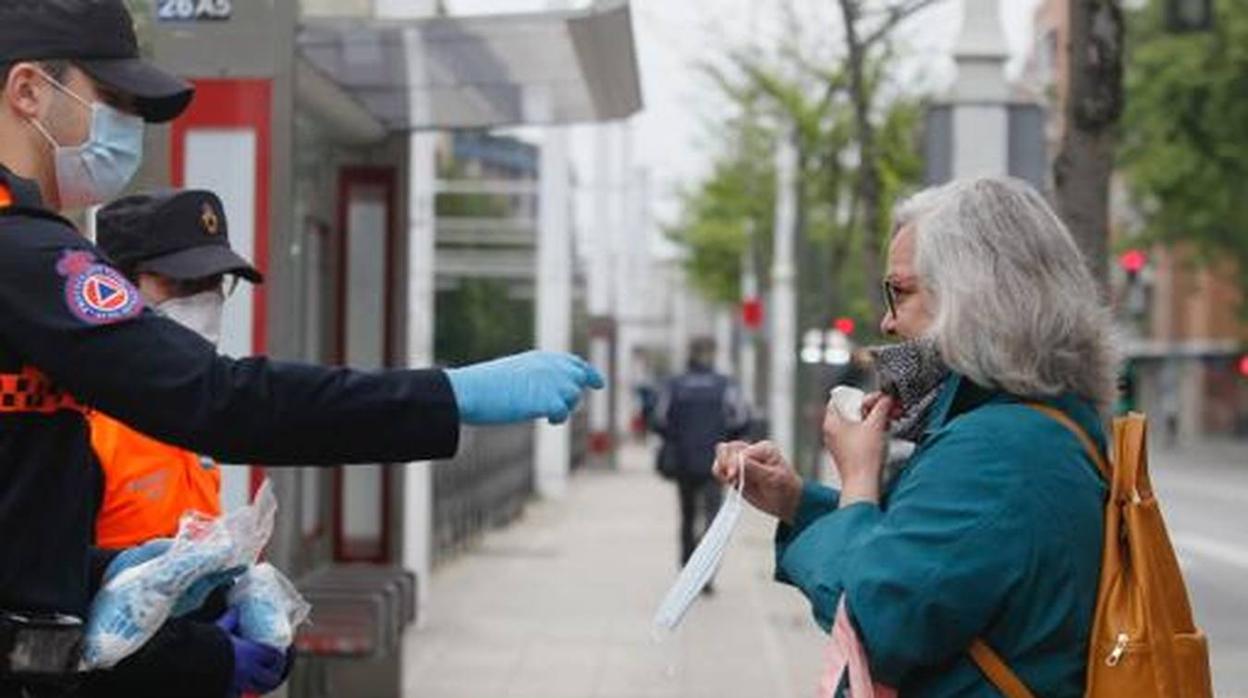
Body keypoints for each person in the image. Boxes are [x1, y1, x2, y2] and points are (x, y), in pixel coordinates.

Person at [0, 3, 603, 696]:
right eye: (113, 99)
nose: (128, 126)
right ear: (27, 91)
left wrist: (113, 575)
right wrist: (449, 394)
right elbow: (221, 400)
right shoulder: (23, 252)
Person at [714, 177, 1118, 696]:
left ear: (975, 299)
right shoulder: (1034, 425)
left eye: (900, 292)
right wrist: (795, 500)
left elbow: (871, 624)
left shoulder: (995, 448)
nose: (886, 322)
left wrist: (859, 478)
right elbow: (926, 553)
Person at [91, 189, 261, 549]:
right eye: (180, 284)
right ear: (118, 286)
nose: (203, 300)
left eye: (214, 284)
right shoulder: (80, 421)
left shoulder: (196, 404)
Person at [652, 338, 749, 591]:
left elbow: (659, 419)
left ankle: (686, 567)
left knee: (687, 515)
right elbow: (740, 418)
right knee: (712, 518)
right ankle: (704, 575)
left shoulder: (674, 384)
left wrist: (676, 437)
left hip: (683, 461)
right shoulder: (725, 385)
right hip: (717, 462)